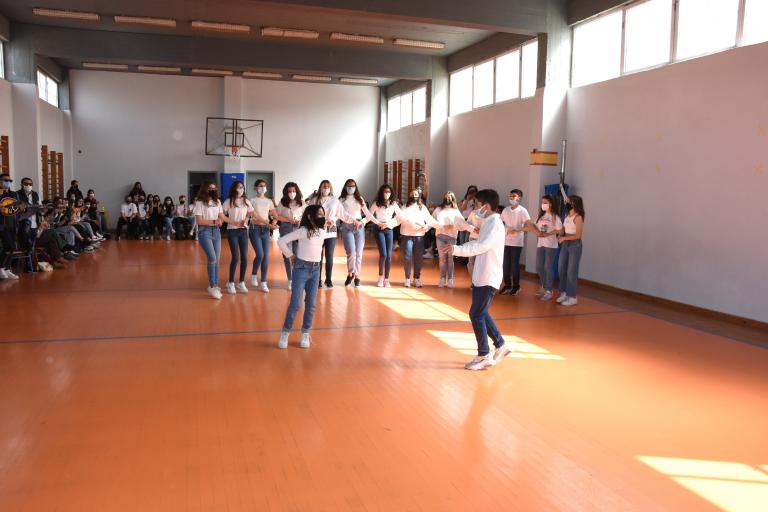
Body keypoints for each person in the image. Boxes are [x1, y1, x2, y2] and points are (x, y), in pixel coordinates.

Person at [446, 189, 510, 371]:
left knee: (476, 314)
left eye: (477, 205)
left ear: (486, 207)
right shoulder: (488, 222)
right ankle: (500, 344)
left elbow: (482, 246)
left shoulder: (495, 224)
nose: (475, 208)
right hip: (482, 275)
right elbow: (477, 241)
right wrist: (462, 240)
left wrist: (458, 249)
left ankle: (484, 354)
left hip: (489, 276)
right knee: (480, 312)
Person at [276, 204, 327, 349]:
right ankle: (285, 332)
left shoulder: (323, 231)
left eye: (323, 214)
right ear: (310, 217)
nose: (322, 217)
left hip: (316, 270)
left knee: (311, 304)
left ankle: (305, 332)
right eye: (319, 214)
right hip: (301, 269)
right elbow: (281, 241)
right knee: (296, 303)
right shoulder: (303, 231)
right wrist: (290, 255)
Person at [193, 181, 240, 299]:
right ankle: (212, 286)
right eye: (210, 188)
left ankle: (215, 284)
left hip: (216, 232)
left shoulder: (217, 202)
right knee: (212, 258)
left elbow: (222, 216)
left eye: (214, 188)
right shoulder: (199, 202)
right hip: (205, 232)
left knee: (217, 260)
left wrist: (235, 222)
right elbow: (199, 221)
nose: (213, 190)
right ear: (205, 189)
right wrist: (214, 221)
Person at [397, 188, 439, 288]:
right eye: (412, 194)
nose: (414, 196)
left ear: (418, 196)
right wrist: (388, 224)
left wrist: (428, 227)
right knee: (407, 257)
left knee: (418, 258)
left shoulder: (422, 208)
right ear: (409, 196)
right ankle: (407, 278)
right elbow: (398, 219)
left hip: (419, 236)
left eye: (416, 194)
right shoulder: (404, 207)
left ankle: (416, 278)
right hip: (406, 235)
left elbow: (429, 220)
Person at [338, 178, 377, 287]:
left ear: (356, 187)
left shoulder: (360, 198)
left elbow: (368, 214)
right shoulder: (341, 199)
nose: (351, 188)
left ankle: (357, 275)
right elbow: (339, 213)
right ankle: (350, 272)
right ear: (345, 187)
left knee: (359, 252)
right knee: (351, 251)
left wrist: (375, 222)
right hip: (347, 226)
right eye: (349, 186)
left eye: (353, 186)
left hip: (359, 226)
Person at [432, 191, 472, 288]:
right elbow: (432, 221)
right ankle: (442, 278)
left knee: (450, 259)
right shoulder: (438, 209)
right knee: (442, 258)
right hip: (440, 236)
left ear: (453, 199)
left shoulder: (456, 211)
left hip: (452, 237)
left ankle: (450, 279)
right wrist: (440, 226)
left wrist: (454, 226)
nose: (447, 198)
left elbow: (462, 224)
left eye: (450, 197)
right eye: (446, 197)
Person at [311, 179, 344, 288]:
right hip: (318, 230)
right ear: (320, 187)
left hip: (331, 230)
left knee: (329, 256)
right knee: (318, 256)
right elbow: (310, 212)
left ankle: (328, 279)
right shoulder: (314, 199)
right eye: (324, 186)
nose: (325, 188)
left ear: (330, 188)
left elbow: (340, 214)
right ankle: (318, 280)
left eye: (327, 187)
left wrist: (332, 220)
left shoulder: (335, 200)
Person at [223, 181, 253, 294]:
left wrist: (246, 219)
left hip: (243, 231)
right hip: (232, 231)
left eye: (242, 187)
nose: (241, 189)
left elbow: (250, 212)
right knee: (235, 257)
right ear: (234, 189)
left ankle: (241, 282)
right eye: (238, 187)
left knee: (244, 257)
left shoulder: (246, 201)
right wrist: (233, 222)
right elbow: (222, 215)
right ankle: (231, 282)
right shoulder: (228, 201)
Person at [248, 179, 278, 291]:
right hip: (254, 229)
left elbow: (275, 215)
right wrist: (268, 223)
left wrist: (273, 224)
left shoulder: (269, 201)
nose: (263, 188)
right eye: (260, 186)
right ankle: (254, 274)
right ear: (255, 187)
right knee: (260, 254)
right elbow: (253, 215)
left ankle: (264, 282)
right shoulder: (252, 200)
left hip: (265, 230)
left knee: (266, 257)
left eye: (264, 186)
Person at [368, 184, 400, 287]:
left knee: (389, 255)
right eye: (385, 192)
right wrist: (378, 223)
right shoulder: (376, 203)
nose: (387, 193)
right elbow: (369, 215)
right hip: (379, 229)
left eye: (389, 192)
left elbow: (400, 216)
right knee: (383, 254)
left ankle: (387, 279)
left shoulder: (393, 204)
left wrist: (389, 223)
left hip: (389, 228)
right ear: (382, 192)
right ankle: (380, 277)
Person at [274, 182, 305, 291]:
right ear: (286, 192)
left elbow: (306, 216)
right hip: (286, 229)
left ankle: (297, 279)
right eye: (289, 191)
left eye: (294, 191)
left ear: (297, 191)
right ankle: (290, 280)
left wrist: (299, 221)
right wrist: (288, 219)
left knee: (297, 255)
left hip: (298, 229)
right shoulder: (282, 202)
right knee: (288, 255)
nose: (292, 193)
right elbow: (277, 216)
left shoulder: (301, 203)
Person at [500, 189, 530, 296]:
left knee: (514, 264)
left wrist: (518, 230)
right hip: (506, 241)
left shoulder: (523, 211)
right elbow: (500, 223)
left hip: (517, 242)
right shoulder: (505, 210)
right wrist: (506, 229)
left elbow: (529, 227)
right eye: (510, 195)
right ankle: (507, 285)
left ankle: (516, 286)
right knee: (505, 264)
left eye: (514, 196)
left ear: (519, 198)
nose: (511, 198)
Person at [556, 195, 585, 307]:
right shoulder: (567, 215)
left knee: (571, 271)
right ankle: (563, 293)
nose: (567, 203)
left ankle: (572, 297)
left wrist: (564, 238)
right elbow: (563, 229)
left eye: (569, 202)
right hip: (565, 243)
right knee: (561, 268)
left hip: (575, 245)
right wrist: (560, 233)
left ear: (575, 204)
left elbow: (578, 235)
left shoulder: (578, 217)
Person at [0, 174, 20, 279]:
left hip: (13, 223)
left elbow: (17, 208)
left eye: (10, 181)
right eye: (5, 180)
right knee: (9, 246)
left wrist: (22, 208)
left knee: (12, 248)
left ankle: (7, 268)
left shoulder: (14, 194)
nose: (8, 182)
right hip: (2, 224)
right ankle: (1, 268)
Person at [16, 177, 41, 250]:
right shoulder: (17, 194)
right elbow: (15, 208)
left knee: (32, 244)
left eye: (30, 184)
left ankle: (30, 256)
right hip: (22, 224)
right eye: (26, 184)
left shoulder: (35, 194)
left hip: (34, 223)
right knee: (24, 245)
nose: (28, 185)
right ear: (21, 184)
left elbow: (39, 207)